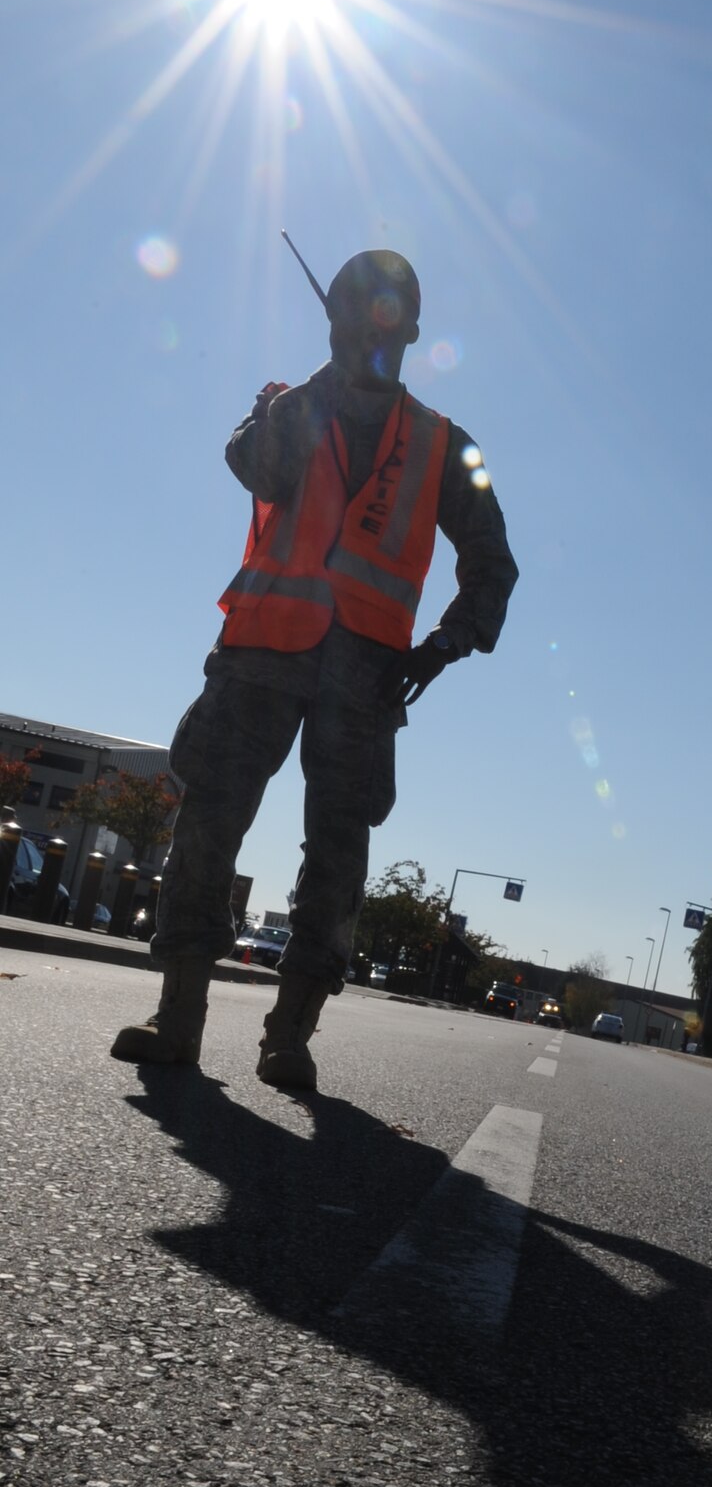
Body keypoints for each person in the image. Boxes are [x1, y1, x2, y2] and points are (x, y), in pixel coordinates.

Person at [112, 248, 518, 1090]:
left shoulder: (446, 443)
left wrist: (444, 645)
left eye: (387, 311)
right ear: (331, 316)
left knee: (337, 857)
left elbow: (491, 558)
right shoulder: (284, 410)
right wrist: (296, 402)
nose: (372, 325)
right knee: (209, 825)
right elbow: (256, 469)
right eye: (354, 308)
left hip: (365, 677)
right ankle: (178, 1016)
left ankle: (290, 1035)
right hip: (262, 653)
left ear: (410, 328)